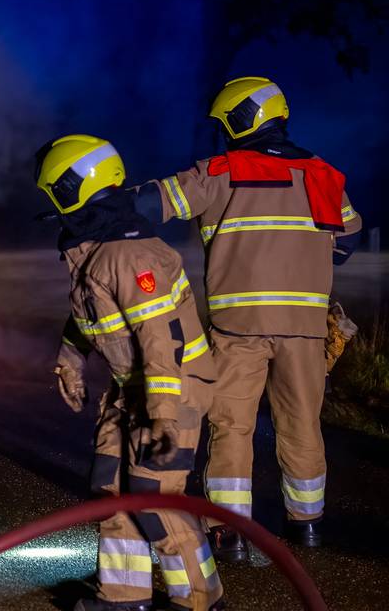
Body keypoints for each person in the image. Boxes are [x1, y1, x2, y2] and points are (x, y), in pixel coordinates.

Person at [135, 77, 361, 558]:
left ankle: (231, 533)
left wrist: (100, 206)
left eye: (226, 123)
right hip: (304, 329)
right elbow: (348, 242)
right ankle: (308, 527)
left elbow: (152, 204)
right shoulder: (322, 174)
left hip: (238, 329)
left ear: (242, 119)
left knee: (232, 426)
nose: (225, 132)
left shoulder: (220, 171)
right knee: (302, 424)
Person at [38, 135, 225, 611]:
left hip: (172, 390)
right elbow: (92, 316)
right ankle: (124, 597)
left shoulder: (129, 256)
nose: (52, 206)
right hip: (132, 391)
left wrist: (162, 416)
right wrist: (70, 357)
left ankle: (200, 599)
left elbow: (161, 342)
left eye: (54, 193)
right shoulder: (96, 252)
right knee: (111, 488)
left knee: (153, 496)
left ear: (74, 188)